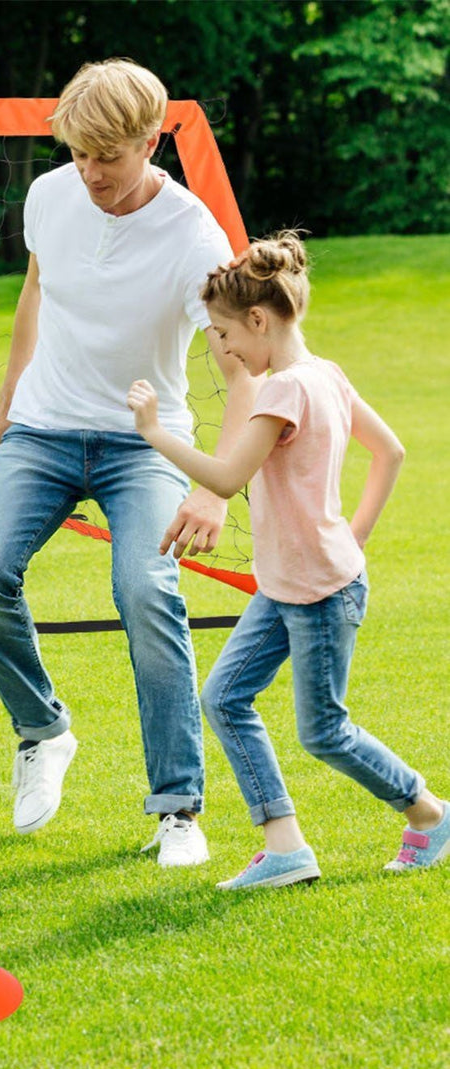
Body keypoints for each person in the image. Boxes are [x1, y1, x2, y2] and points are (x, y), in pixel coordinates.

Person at [0, 58, 259, 865]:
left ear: (151, 141)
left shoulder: (195, 235)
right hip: (42, 428)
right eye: (79, 153)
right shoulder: (51, 195)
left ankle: (179, 810)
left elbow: (239, 368)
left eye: (108, 156)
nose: (90, 172)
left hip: (142, 442)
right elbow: (36, 292)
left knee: (144, 586)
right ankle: (43, 731)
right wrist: (8, 398)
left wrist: (214, 485)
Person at [127, 231, 448, 888]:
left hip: (320, 594)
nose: (224, 350)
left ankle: (430, 814)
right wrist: (352, 537)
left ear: (258, 318)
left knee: (324, 731)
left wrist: (156, 432)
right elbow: (390, 453)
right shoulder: (325, 373)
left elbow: (223, 478)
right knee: (224, 697)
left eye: (222, 333)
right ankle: (285, 848)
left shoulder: (280, 392)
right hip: (288, 586)